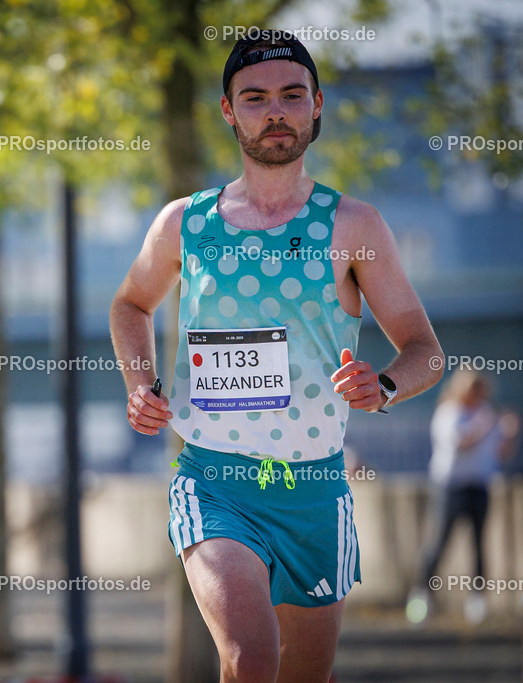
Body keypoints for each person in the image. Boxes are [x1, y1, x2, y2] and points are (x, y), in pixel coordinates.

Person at [110, 32, 443, 681]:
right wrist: (141, 382)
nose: (275, 111)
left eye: (292, 96)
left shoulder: (353, 225)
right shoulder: (185, 222)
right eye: (255, 98)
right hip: (214, 481)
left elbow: (425, 349)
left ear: (317, 105)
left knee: (304, 674)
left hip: (315, 489)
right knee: (249, 658)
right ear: (229, 112)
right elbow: (130, 303)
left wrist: (384, 384)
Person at [407, 369, 521, 625]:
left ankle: (477, 599)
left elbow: (499, 454)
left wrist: (510, 434)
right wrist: (487, 425)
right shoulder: (449, 414)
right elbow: (462, 442)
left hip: (480, 486)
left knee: (479, 544)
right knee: (439, 543)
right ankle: (421, 595)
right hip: (451, 487)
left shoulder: (486, 414)